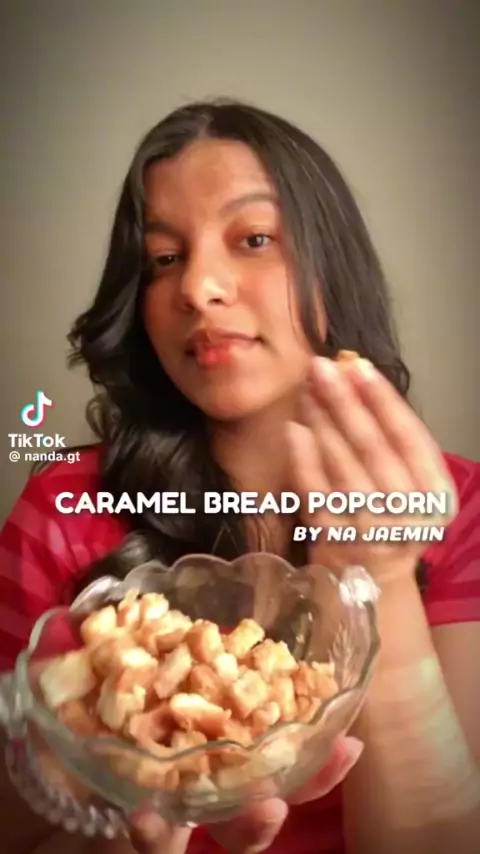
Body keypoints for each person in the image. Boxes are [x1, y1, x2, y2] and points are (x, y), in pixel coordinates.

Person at [0, 98, 479, 854]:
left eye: (254, 239)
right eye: (164, 259)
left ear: (333, 265)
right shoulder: (61, 509)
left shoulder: (461, 509)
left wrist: (380, 578)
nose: (197, 288)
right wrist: (93, 761)